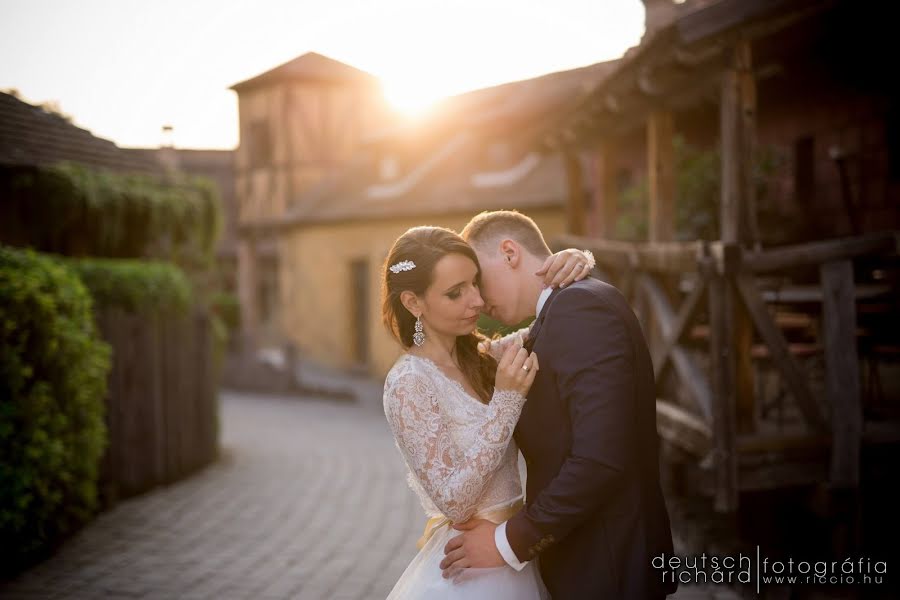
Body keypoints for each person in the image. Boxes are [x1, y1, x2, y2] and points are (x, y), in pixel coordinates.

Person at [440, 209, 678, 599]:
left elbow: (600, 459)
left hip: (607, 568)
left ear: (510, 252)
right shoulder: (558, 313)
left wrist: (506, 543)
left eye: (478, 281)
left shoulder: (579, 308)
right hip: (587, 563)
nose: (479, 301)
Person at [381, 225, 593, 599]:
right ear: (414, 303)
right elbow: (455, 503)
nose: (477, 301)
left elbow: (545, 325)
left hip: (514, 555)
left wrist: (576, 261)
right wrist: (507, 401)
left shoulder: (481, 356)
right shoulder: (407, 384)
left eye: (475, 284)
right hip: (470, 569)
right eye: (455, 293)